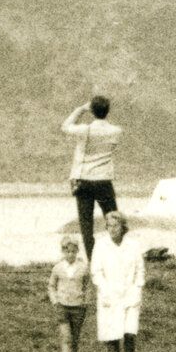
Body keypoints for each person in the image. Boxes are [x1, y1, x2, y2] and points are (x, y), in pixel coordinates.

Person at [61, 95, 122, 259]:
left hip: (83, 180)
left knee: (86, 225)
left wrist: (80, 109)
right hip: (103, 179)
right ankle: (115, 256)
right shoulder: (116, 131)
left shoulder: (84, 130)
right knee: (113, 219)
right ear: (107, 111)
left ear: (92, 111)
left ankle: (92, 260)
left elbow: (65, 126)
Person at [91, 211, 145, 352]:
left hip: (130, 293)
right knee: (112, 333)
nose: (113, 229)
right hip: (109, 294)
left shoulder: (133, 245)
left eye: (116, 226)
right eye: (109, 226)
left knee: (130, 331)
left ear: (123, 227)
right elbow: (96, 271)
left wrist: (136, 288)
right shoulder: (100, 245)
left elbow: (140, 270)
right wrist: (106, 290)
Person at [47, 236, 89, 352]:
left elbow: (87, 285)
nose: (70, 254)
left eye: (73, 251)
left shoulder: (83, 267)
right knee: (66, 336)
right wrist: (55, 301)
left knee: (75, 337)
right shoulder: (58, 268)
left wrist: (85, 301)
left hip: (78, 307)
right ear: (63, 252)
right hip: (62, 307)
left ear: (77, 251)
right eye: (67, 251)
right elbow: (51, 286)